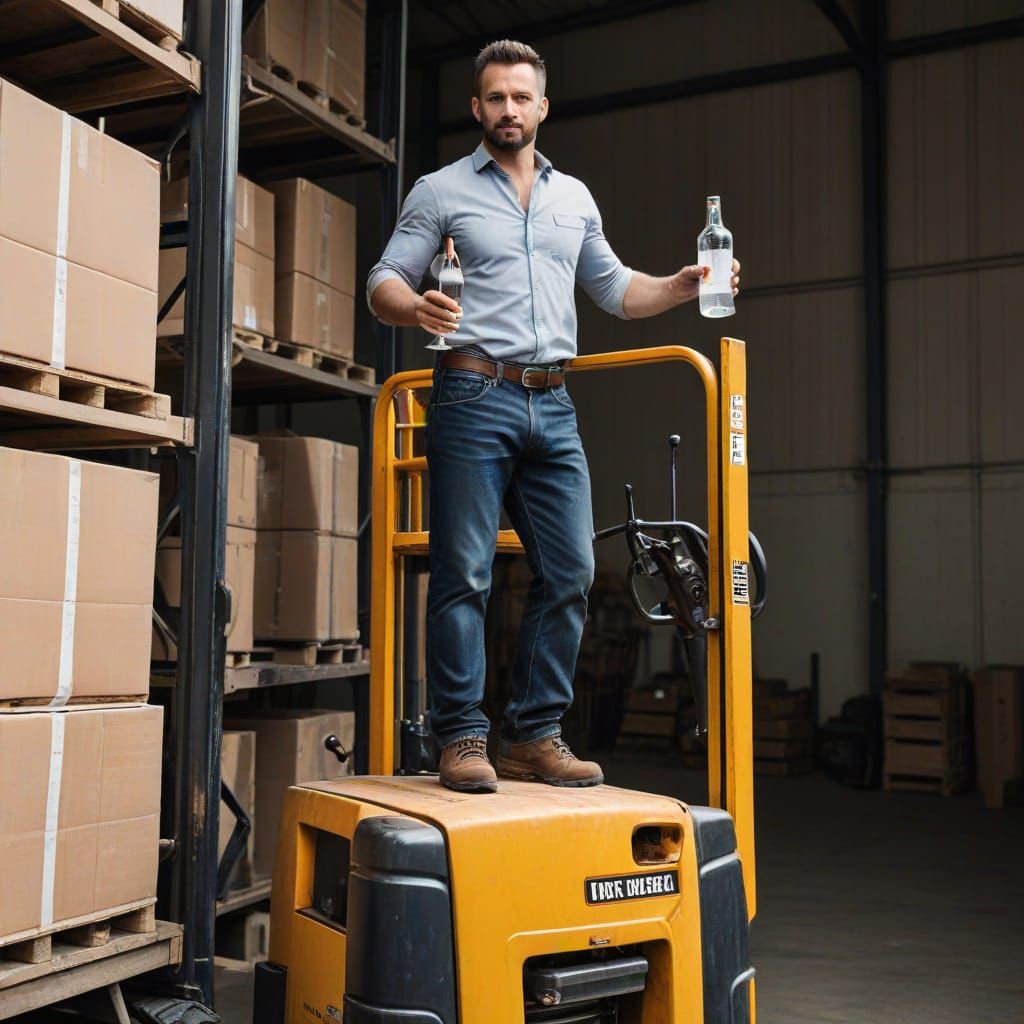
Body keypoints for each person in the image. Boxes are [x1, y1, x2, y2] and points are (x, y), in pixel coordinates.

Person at [367, 40, 741, 793]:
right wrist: (416, 305)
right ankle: (464, 737)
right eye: (495, 98)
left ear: (543, 106)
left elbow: (614, 290)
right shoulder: (440, 191)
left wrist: (677, 283)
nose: (509, 109)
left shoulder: (575, 198)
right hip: (471, 395)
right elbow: (382, 282)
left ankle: (533, 734)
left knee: (569, 569)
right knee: (465, 573)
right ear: (477, 108)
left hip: (555, 403)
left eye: (521, 97)